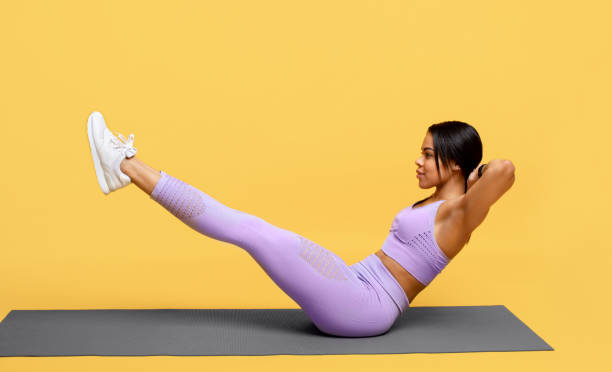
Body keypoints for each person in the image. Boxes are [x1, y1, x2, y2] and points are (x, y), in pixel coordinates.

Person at [86, 111, 515, 337]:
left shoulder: (458, 215)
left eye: (426, 154)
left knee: (251, 231)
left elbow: (506, 170)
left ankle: (125, 165)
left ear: (455, 162)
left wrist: (475, 176)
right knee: (256, 229)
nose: (417, 162)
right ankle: (124, 169)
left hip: (365, 308)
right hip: (356, 282)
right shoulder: (439, 205)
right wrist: (466, 177)